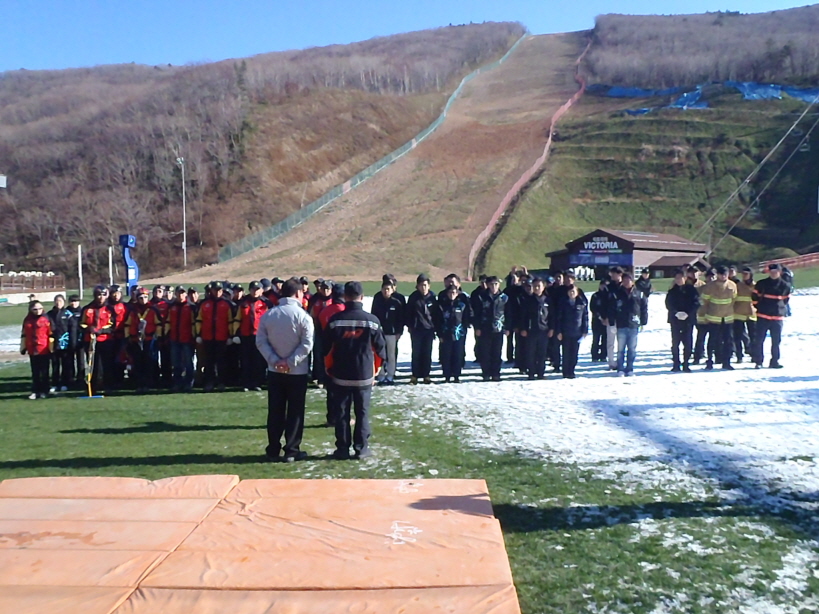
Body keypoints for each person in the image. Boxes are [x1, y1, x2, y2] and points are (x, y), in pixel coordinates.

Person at [324, 281, 386, 460]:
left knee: (342, 413)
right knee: (362, 412)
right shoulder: (372, 321)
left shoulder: (335, 321)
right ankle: (362, 448)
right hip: (364, 374)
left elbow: (326, 349)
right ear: (362, 297)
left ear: (345, 297)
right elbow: (380, 350)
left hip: (341, 374)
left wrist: (329, 369)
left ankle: (342, 448)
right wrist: (375, 369)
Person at [256, 277, 314, 462]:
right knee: (295, 411)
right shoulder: (303, 316)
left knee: (275, 410)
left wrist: (275, 360)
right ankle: (292, 449)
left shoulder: (269, 315)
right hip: (297, 371)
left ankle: (273, 448)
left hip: (275, 371)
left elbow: (261, 341)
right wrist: (290, 362)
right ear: (298, 293)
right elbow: (307, 344)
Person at [195, 281, 234, 392]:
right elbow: (199, 320)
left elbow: (230, 321)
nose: (217, 292)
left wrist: (231, 335)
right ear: (211, 291)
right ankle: (209, 382)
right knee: (209, 362)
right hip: (207, 337)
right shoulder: (204, 304)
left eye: (219, 290)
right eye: (215, 290)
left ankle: (221, 382)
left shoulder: (227, 304)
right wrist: (198, 334)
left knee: (221, 361)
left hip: (222, 337)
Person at [124, 287, 163, 393]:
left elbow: (159, 324)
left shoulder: (153, 310)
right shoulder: (133, 310)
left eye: (145, 297)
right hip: (136, 340)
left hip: (149, 340)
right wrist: (128, 337)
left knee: (149, 362)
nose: (143, 300)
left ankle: (149, 384)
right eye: (141, 298)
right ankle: (139, 384)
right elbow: (127, 324)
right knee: (138, 363)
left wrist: (157, 337)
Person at [80, 285, 118, 395]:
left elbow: (112, 325)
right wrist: (89, 329)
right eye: (98, 295)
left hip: (106, 340)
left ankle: (108, 386)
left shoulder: (110, 309)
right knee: (92, 364)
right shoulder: (87, 309)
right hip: (90, 341)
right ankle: (92, 387)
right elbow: (81, 324)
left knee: (107, 364)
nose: (101, 297)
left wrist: (101, 331)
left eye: (103, 295)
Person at [753, 263, 790, 369]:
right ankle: (758, 361)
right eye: (772, 272)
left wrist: (779, 310)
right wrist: (759, 307)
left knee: (776, 341)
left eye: (776, 272)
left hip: (777, 317)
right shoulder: (761, 284)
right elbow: (754, 297)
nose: (774, 274)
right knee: (759, 340)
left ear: (780, 272)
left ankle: (774, 361)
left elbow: (785, 300)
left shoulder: (785, 285)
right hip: (763, 316)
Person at [701, 265, 737, 370]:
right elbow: (705, 301)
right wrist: (704, 315)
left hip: (727, 318)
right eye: (721, 274)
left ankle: (727, 362)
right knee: (712, 341)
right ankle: (709, 361)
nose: (723, 276)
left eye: (725, 274)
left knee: (728, 341)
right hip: (713, 317)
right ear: (717, 275)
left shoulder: (732, 285)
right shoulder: (710, 286)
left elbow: (734, 299)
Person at [475, 276, 510, 382]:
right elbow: (476, 313)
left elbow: (509, 313)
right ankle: (486, 373)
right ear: (488, 285)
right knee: (485, 352)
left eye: (496, 284)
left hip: (498, 328)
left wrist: (508, 327)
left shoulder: (504, 297)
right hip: (485, 328)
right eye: (491, 284)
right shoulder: (481, 297)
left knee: (497, 352)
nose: (494, 286)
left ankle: (496, 373)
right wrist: (477, 327)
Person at [405, 274, 439, 385]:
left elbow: (436, 314)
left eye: (425, 285)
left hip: (429, 330)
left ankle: (426, 375)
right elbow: (408, 313)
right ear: (417, 286)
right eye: (421, 285)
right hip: (416, 330)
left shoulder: (432, 297)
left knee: (427, 353)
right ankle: (415, 376)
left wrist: (435, 328)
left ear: (429, 285)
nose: (423, 287)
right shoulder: (413, 297)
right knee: (416, 353)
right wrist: (410, 326)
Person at [665, 268, 700, 372]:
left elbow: (696, 303)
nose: (678, 280)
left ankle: (686, 363)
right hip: (675, 319)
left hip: (688, 320)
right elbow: (668, 303)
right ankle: (676, 363)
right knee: (675, 342)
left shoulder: (691, 290)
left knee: (687, 342)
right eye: (677, 278)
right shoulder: (672, 291)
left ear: (685, 278)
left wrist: (687, 313)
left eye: (680, 278)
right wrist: (676, 313)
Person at [436, 282, 472, 383]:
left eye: (454, 293)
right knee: (446, 355)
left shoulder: (462, 305)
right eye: (450, 292)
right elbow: (438, 320)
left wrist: (464, 330)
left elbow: (466, 318)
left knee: (457, 355)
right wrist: (439, 334)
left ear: (457, 294)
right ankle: (447, 376)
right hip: (446, 334)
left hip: (458, 334)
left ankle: (456, 375)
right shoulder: (442, 306)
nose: (452, 294)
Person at [371, 278, 405, 385]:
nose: (386, 291)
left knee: (391, 355)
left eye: (388, 289)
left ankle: (390, 375)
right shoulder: (378, 300)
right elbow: (373, 315)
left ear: (392, 290)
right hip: (380, 333)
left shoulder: (396, 302)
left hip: (392, 333)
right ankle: (381, 375)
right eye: (384, 289)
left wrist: (399, 331)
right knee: (380, 354)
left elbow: (400, 319)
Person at [613, 273, 647, 377]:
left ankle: (630, 368)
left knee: (632, 349)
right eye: (624, 280)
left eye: (629, 280)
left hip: (634, 324)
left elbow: (644, 308)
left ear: (632, 281)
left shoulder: (639, 294)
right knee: (620, 349)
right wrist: (612, 321)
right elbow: (612, 308)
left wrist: (643, 322)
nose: (627, 282)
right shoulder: (617, 293)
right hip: (621, 324)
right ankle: (620, 369)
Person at [519, 276, 551, 379]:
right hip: (531, 330)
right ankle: (531, 372)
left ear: (543, 287)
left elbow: (552, 316)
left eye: (539, 286)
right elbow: (523, 316)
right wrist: (523, 328)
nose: (537, 288)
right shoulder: (528, 300)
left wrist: (552, 328)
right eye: (535, 286)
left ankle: (540, 373)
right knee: (530, 352)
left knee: (542, 353)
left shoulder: (548, 300)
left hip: (544, 330)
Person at [21, 301, 54, 399]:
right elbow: (24, 334)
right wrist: (23, 347)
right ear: (31, 309)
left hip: (44, 348)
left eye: (40, 308)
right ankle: (35, 391)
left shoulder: (46, 319)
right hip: (32, 349)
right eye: (35, 309)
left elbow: (51, 334)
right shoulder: (27, 320)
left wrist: (52, 348)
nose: (38, 311)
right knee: (35, 372)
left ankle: (45, 390)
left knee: (44, 371)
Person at [554, 285, 588, 379]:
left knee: (574, 353)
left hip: (577, 332)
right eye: (570, 291)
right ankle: (566, 372)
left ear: (577, 292)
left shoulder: (581, 303)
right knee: (566, 353)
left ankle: (571, 371)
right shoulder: (563, 303)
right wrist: (559, 331)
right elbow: (559, 318)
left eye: (573, 291)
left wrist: (585, 330)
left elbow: (585, 317)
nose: (571, 293)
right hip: (566, 332)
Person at [167, 286, 197, 392]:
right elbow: (168, 322)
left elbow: (194, 324)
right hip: (175, 338)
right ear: (175, 294)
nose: (180, 295)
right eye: (178, 293)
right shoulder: (172, 307)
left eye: (182, 293)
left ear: (185, 295)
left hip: (187, 339)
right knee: (176, 363)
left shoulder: (191, 307)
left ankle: (189, 383)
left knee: (188, 363)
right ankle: (177, 383)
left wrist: (194, 336)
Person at [47, 294, 72, 392]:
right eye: (56, 301)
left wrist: (72, 342)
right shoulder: (49, 314)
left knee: (66, 364)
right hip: (53, 343)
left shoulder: (68, 314)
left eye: (60, 301)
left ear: (64, 302)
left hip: (65, 343)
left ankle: (65, 383)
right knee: (55, 365)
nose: (58, 303)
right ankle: (55, 384)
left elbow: (72, 328)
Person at [733, 266, 757, 364]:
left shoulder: (755, 286)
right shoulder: (738, 285)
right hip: (738, 313)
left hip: (751, 314)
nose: (744, 276)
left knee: (753, 336)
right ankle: (739, 356)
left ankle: (754, 355)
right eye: (743, 274)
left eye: (746, 274)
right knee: (738, 336)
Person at [602, 267, 623, 370]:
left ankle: (620, 361)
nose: (612, 276)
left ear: (619, 274)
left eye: (614, 274)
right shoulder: (608, 288)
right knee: (610, 342)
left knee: (621, 342)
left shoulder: (624, 287)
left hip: (623, 319)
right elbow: (604, 303)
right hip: (611, 318)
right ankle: (611, 362)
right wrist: (604, 316)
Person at [470, 275, 488, 363]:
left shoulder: (490, 293)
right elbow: (471, 307)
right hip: (478, 319)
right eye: (482, 282)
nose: (484, 284)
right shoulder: (475, 293)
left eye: (485, 282)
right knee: (478, 338)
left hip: (488, 320)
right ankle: (478, 356)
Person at [589, 280, 608, 362]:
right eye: (602, 285)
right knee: (596, 339)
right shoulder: (595, 296)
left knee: (605, 339)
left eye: (605, 285)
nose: (604, 287)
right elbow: (593, 308)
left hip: (606, 320)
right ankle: (594, 355)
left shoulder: (609, 296)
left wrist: (607, 318)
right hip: (597, 320)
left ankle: (603, 355)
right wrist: (600, 317)